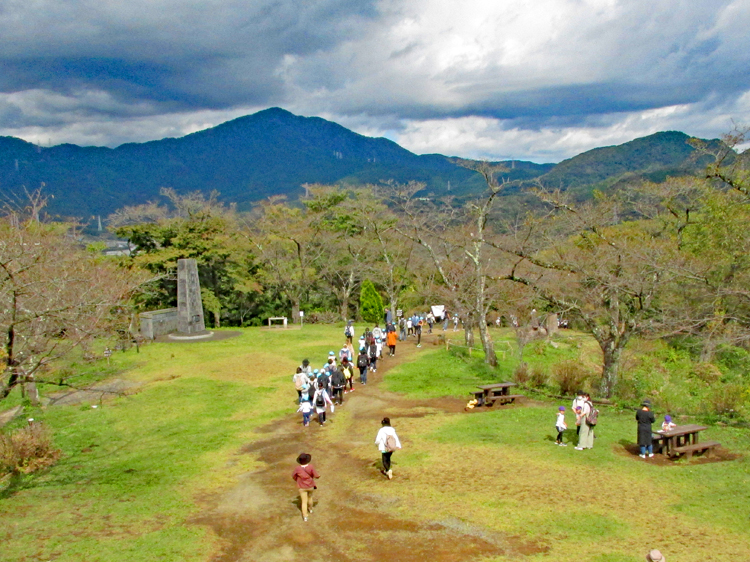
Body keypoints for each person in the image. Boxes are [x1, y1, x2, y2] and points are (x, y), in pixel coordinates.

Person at [292, 453, 320, 521]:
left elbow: (293, 476)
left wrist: (298, 480)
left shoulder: (297, 468)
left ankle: (305, 516)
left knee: (304, 502)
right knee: (310, 498)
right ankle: (310, 509)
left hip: (302, 487)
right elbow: (317, 475)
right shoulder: (311, 467)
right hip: (310, 486)